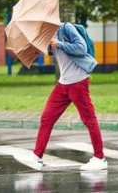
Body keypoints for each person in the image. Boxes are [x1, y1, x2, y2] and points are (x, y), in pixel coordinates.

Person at [27, 21, 108, 171]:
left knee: (89, 119)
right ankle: (37, 156)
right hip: (63, 84)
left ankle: (99, 158)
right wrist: (45, 46)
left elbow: (81, 48)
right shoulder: (48, 34)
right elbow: (56, 54)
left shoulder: (66, 28)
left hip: (78, 82)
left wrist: (58, 44)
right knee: (46, 118)